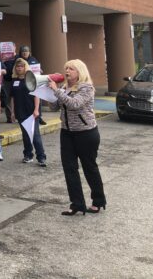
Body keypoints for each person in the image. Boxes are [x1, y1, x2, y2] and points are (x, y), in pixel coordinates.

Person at [47, 59, 106, 216]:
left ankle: (98, 201)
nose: (67, 71)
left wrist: (57, 91)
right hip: (67, 132)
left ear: (79, 71)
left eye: (71, 68)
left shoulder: (86, 88)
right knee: (69, 169)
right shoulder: (64, 88)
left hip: (86, 133)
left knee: (89, 167)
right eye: (66, 68)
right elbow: (54, 107)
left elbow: (74, 104)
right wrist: (50, 92)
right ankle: (77, 204)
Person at [9, 58, 46, 166]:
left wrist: (36, 109)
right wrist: (12, 112)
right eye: (17, 66)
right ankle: (28, 155)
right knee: (25, 135)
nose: (19, 68)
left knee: (35, 135)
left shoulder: (30, 79)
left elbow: (36, 95)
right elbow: (12, 98)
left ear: (26, 67)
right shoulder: (14, 81)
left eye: (22, 66)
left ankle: (41, 157)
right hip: (20, 112)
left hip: (31, 111)